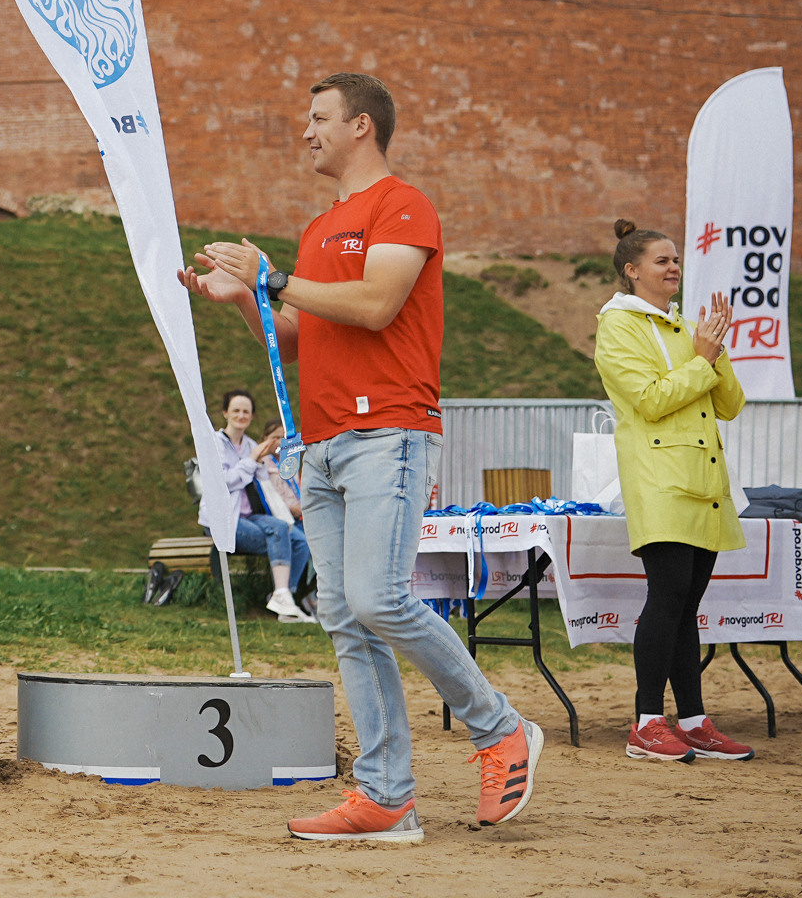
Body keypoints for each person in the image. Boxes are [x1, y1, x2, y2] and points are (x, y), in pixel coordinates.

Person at [182, 72, 543, 843]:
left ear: (361, 127)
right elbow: (294, 339)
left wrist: (276, 278)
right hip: (321, 444)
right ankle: (387, 798)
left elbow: (378, 305)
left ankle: (500, 727)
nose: (305, 131)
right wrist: (243, 297)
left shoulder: (403, 205)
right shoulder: (320, 227)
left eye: (318, 117)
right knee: (347, 618)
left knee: (379, 600)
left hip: (389, 432)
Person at [593, 220, 754, 764]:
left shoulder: (687, 326)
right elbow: (651, 399)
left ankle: (693, 721)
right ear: (632, 270)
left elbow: (730, 405)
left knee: (688, 605)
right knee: (666, 596)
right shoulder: (618, 325)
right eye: (662, 260)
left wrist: (714, 350)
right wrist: (702, 358)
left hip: (704, 480)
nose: (674, 267)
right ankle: (646, 722)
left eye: (676, 259)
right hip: (658, 479)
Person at [216, 388, 314, 622]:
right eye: (236, 410)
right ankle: (282, 596)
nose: (241, 415)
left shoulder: (251, 444)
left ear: (251, 416)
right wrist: (252, 461)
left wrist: (262, 462)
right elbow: (224, 482)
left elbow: (262, 481)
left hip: (251, 515)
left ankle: (285, 596)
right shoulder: (216, 443)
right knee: (280, 535)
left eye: (246, 411)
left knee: (297, 539)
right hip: (226, 517)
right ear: (225, 413)